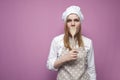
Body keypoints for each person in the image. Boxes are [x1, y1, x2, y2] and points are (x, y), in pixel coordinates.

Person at [47, 5, 96, 80]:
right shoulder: (57, 41)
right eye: (69, 20)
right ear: (65, 24)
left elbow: (91, 69)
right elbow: (50, 66)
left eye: (76, 20)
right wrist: (64, 58)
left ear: (80, 23)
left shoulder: (88, 42)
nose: (73, 24)